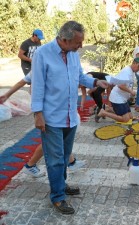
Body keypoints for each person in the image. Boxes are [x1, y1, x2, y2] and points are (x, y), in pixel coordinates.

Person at [31, 21, 109, 214]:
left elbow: (80, 77)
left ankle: (61, 184)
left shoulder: (73, 54)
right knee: (55, 159)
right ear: (64, 40)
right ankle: (57, 197)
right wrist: (38, 114)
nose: (81, 46)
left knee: (65, 157)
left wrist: (96, 81)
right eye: (78, 42)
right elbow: (37, 86)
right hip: (51, 119)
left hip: (70, 117)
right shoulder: (43, 54)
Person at [97, 58, 139, 123]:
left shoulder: (132, 71)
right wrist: (131, 92)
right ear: (134, 63)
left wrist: (130, 95)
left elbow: (128, 84)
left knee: (130, 116)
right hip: (118, 98)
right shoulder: (127, 71)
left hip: (122, 98)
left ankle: (107, 108)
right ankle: (103, 113)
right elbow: (120, 85)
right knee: (125, 119)